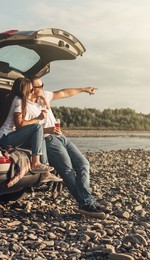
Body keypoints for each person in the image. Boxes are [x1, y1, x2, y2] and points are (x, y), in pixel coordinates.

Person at [26, 76, 110, 219]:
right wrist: (48, 130)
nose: (42, 88)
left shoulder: (44, 96)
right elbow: (27, 127)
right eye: (39, 87)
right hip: (48, 140)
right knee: (68, 171)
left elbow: (64, 92)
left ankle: (88, 201)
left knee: (83, 164)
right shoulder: (26, 105)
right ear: (31, 89)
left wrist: (83, 89)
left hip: (61, 137)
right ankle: (86, 203)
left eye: (42, 85)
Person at [0, 78, 62, 183]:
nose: (32, 92)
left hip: (7, 136)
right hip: (5, 138)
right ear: (25, 90)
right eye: (31, 90)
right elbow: (19, 125)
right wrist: (38, 119)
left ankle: (45, 172)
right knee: (37, 127)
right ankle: (35, 164)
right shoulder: (18, 100)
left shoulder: (12, 98)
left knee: (40, 134)